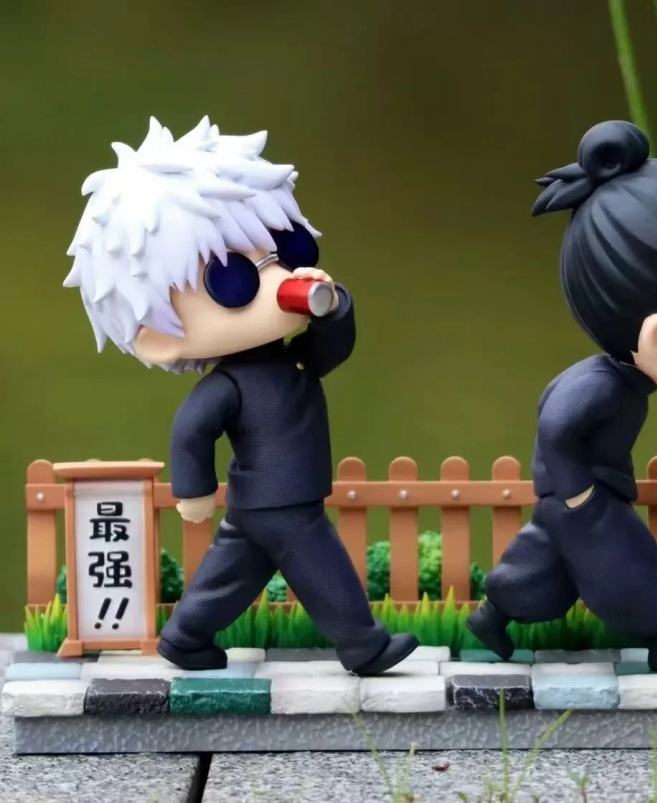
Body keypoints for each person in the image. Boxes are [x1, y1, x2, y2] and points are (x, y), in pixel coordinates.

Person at [64, 116, 417, 673]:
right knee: (321, 564)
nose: (279, 280)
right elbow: (191, 429)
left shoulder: (292, 361)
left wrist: (336, 309)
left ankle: (185, 637)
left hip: (269, 502)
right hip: (281, 503)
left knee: (234, 570)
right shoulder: (226, 386)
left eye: (288, 247)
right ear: (157, 335)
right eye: (233, 278)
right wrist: (195, 491)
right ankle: (363, 645)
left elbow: (330, 352)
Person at [468, 120, 657, 672]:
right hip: (587, 501)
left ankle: (494, 613)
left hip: (574, 499)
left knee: (544, 572)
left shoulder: (616, 382)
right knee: (627, 566)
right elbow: (556, 427)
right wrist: (580, 496)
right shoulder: (600, 386)